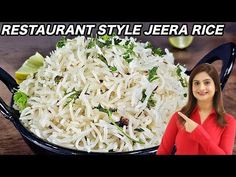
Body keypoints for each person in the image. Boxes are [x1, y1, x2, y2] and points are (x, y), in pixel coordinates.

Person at [156, 63, 236, 155]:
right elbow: (163, 152)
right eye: (196, 83)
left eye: (207, 82)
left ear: (216, 87)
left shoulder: (229, 122)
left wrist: (198, 133)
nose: (201, 88)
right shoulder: (178, 117)